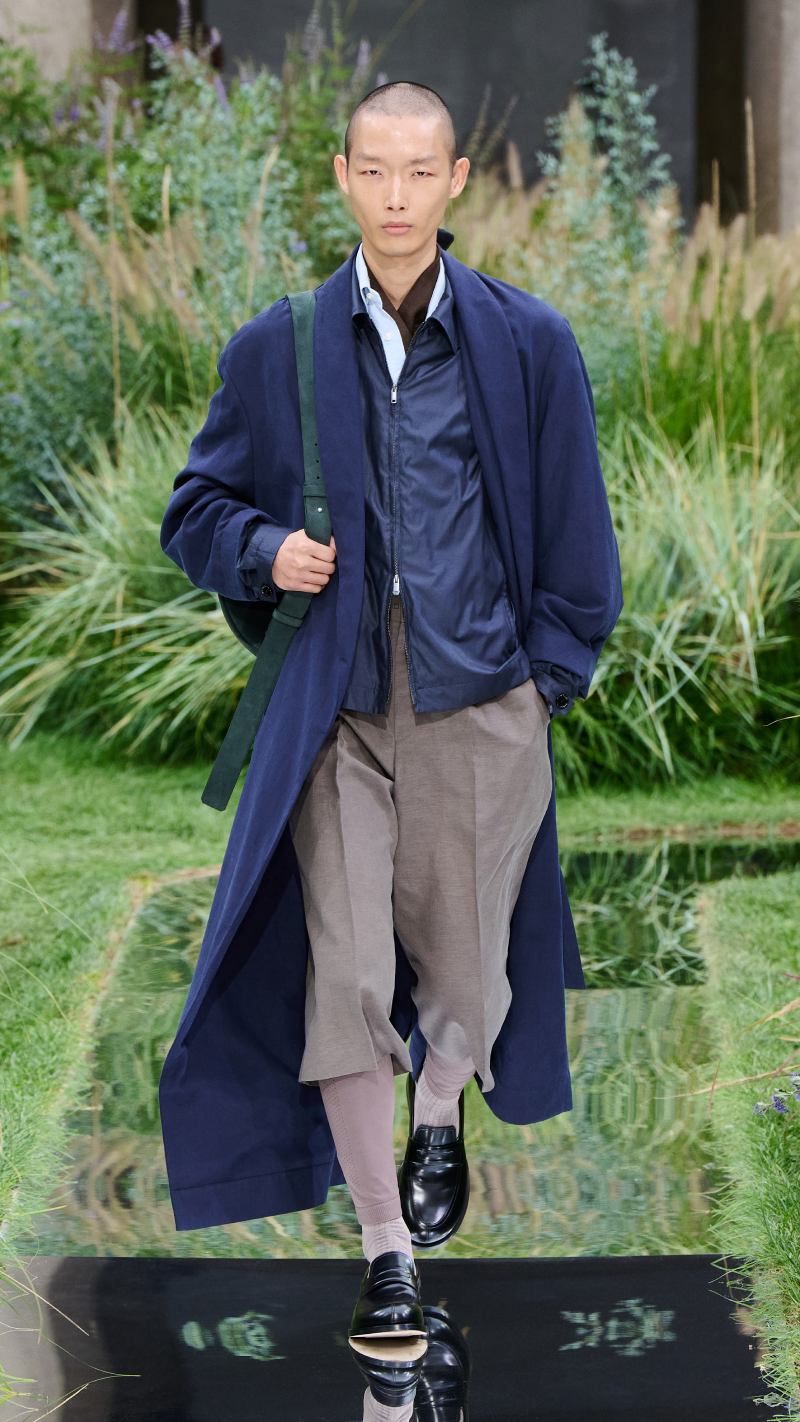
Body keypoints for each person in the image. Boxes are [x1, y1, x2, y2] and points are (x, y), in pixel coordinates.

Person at [158, 80, 623, 1399]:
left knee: (469, 981)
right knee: (349, 972)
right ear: (344, 177)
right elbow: (195, 509)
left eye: (423, 171)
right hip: (341, 712)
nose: (399, 195)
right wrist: (262, 548)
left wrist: (545, 682)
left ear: (458, 179)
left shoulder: (528, 343)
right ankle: (386, 1255)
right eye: (377, 170)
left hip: (484, 703)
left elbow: (577, 527)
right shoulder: (282, 347)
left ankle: (439, 1109)